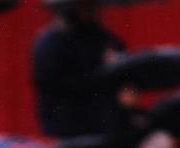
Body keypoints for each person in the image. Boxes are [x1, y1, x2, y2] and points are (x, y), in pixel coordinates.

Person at [31, 0, 124, 138]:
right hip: (65, 123)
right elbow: (50, 82)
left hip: (101, 122)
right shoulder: (51, 41)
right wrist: (100, 75)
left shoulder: (103, 37)